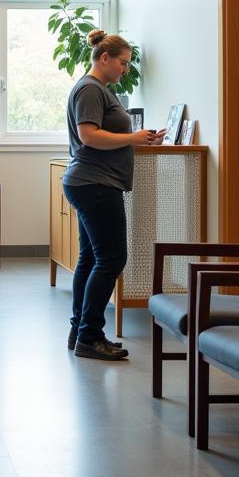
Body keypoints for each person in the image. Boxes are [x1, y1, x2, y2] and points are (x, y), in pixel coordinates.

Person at [62, 31, 163, 361]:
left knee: (91, 259)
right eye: (122, 62)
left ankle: (81, 331)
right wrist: (134, 137)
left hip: (92, 183)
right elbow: (89, 136)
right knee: (112, 259)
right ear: (104, 58)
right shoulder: (91, 89)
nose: (125, 69)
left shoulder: (98, 89)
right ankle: (89, 337)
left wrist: (140, 140)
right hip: (95, 185)